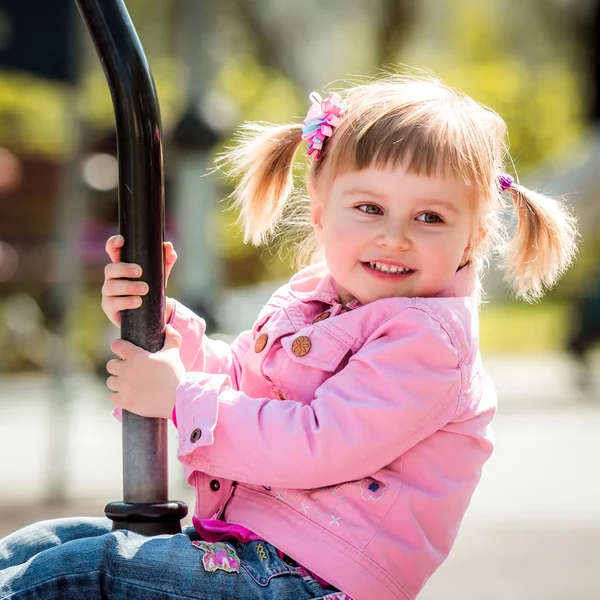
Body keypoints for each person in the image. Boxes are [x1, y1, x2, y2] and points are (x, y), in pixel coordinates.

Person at [0, 73, 578, 600]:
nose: (395, 236)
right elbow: (247, 385)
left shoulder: (427, 342)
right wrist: (163, 328)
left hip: (305, 579)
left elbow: (317, 443)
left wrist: (176, 396)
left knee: (88, 573)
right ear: (323, 214)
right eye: (370, 208)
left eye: (431, 218)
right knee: (44, 544)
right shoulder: (315, 300)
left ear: (473, 240)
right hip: (246, 552)